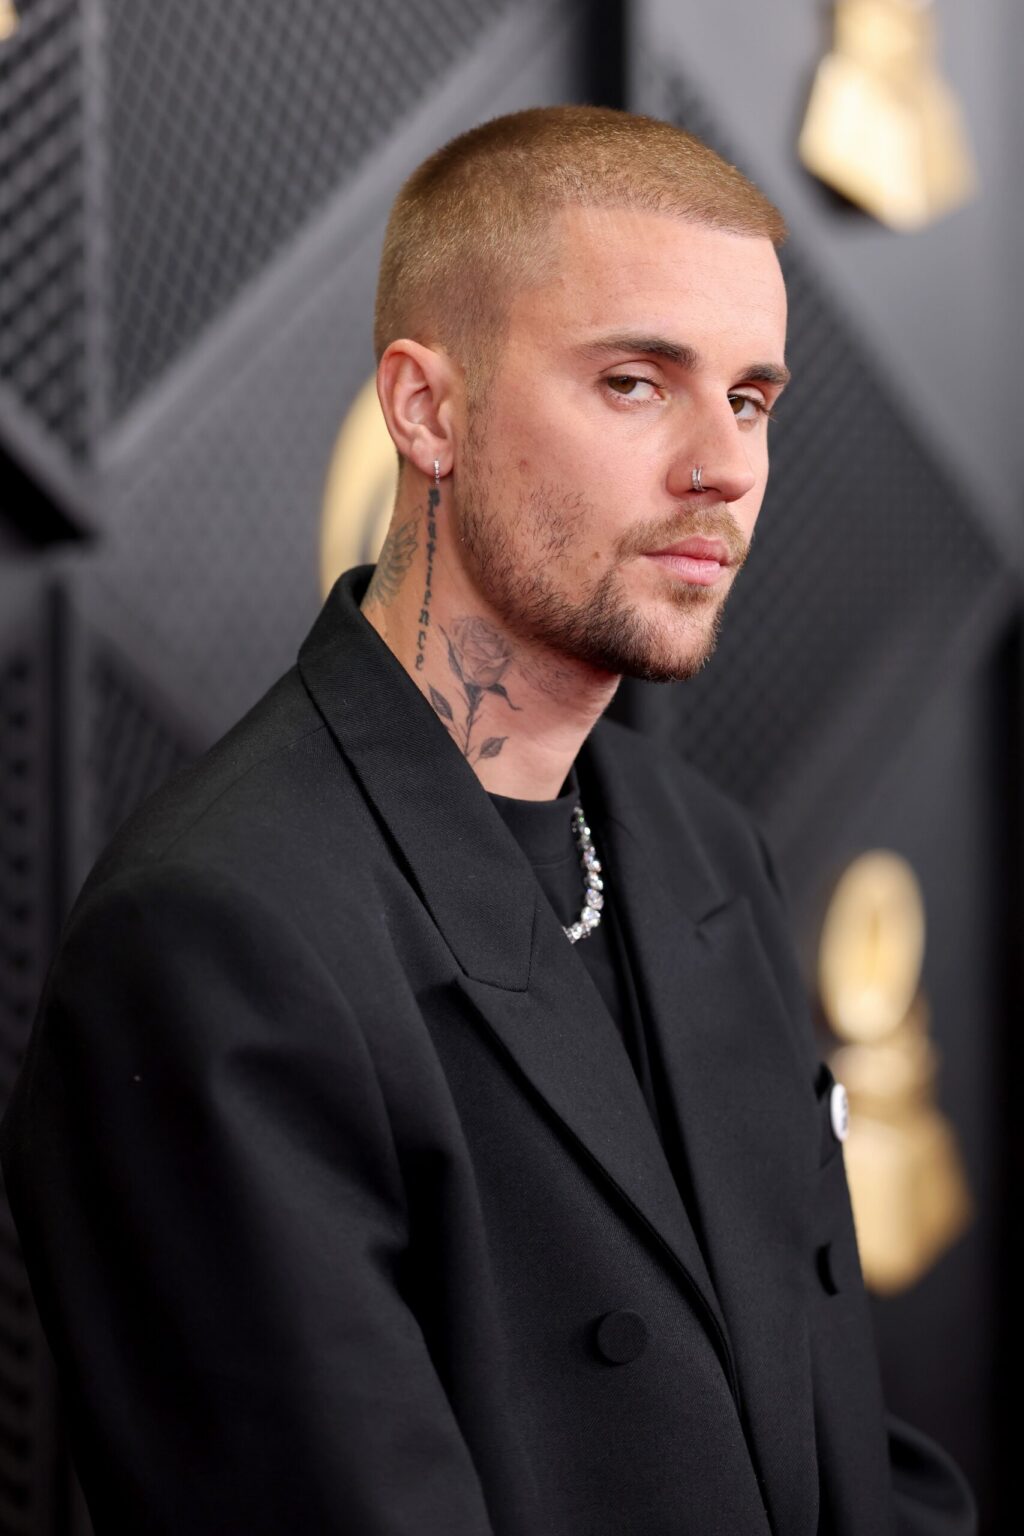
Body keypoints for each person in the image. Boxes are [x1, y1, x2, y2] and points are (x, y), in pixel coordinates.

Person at [2, 106, 976, 1535]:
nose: (726, 465)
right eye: (639, 382)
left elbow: (838, 1455)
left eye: (753, 397)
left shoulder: (704, 849)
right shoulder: (214, 937)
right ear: (426, 410)